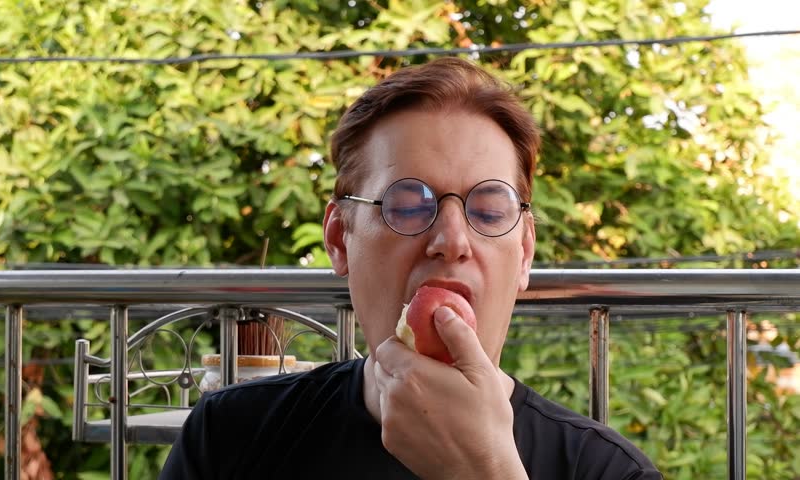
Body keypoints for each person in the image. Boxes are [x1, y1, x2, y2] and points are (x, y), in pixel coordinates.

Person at [160, 57, 662, 479]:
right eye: (406, 205)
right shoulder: (229, 437)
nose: (451, 241)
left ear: (524, 252)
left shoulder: (606, 470)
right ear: (339, 238)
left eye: (488, 211)